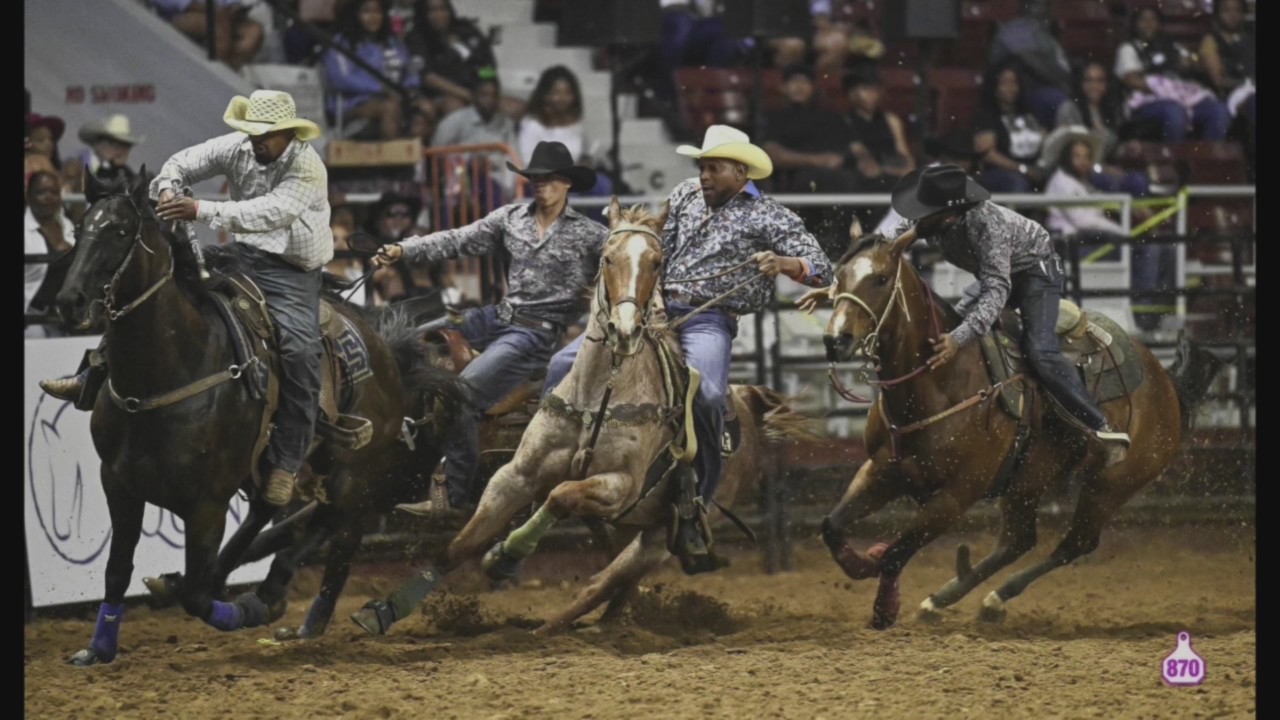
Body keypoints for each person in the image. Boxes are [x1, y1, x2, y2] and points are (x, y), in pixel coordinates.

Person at [542, 125, 834, 573]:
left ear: (740, 171)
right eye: (701, 167)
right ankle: (549, 454)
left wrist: (784, 263)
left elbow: (821, 269)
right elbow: (660, 247)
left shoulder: (770, 216)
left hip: (707, 319)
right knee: (565, 362)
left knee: (711, 395)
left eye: (713, 168)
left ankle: (696, 500)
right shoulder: (682, 195)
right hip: (652, 309)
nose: (703, 176)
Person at [40, 90, 333, 508]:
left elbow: (273, 212)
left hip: (292, 271)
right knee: (155, 291)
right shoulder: (239, 147)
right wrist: (167, 189)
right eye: (252, 133)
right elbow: (180, 163)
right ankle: (92, 372)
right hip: (245, 254)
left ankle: (286, 462)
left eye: (264, 135)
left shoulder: (307, 167)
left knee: (301, 350)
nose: (255, 141)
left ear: (288, 133)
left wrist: (198, 209)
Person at [374, 141, 608, 520]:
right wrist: (404, 250)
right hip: (498, 317)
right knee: (404, 341)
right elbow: (457, 239)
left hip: (536, 333)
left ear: (566, 184)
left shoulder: (592, 236)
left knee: (461, 393)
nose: (539, 184)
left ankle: (454, 493)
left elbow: (625, 266)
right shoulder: (510, 218)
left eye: (548, 179)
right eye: (534, 178)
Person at [886, 165, 1132, 464]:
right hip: (998, 274)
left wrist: (959, 337)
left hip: (1034, 272)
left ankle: (1098, 425)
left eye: (925, 212)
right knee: (953, 323)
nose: (917, 217)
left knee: (1039, 350)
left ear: (948, 216)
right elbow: (886, 244)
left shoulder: (989, 226)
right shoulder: (933, 216)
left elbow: (996, 290)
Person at [1043, 132, 1172, 333]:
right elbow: (1084, 221)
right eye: (1076, 156)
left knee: (1166, 249)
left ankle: (1157, 310)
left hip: (1094, 242)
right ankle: (1142, 314)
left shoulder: (1086, 184)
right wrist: (1125, 232)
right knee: (1148, 250)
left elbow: (1103, 207)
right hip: (1074, 246)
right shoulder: (1062, 181)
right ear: (1066, 158)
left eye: (1086, 156)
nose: (1083, 161)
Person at [1114, 7, 1231, 142]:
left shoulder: (1171, 46)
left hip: (1181, 97)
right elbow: (1131, 80)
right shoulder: (1128, 48)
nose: (1149, 24)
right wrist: (1163, 86)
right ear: (1135, 24)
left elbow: (1194, 63)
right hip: (1147, 102)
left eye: (1153, 20)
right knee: (1175, 111)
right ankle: (1174, 161)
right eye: (1143, 20)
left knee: (1219, 109)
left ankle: (1208, 159)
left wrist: (1188, 64)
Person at [323, 0, 422, 140]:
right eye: (366, 12)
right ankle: (396, 158)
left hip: (395, 99)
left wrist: (411, 87)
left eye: (377, 12)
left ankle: (420, 158)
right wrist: (379, 88)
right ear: (355, 15)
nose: (373, 17)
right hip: (354, 104)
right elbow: (340, 79)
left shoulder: (393, 42)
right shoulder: (341, 43)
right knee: (389, 108)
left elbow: (409, 69)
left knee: (425, 108)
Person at [517, 66, 612, 197]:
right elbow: (527, 162)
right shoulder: (533, 124)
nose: (562, 98)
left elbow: (582, 156)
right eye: (556, 93)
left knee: (602, 184)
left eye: (567, 93)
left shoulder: (576, 124)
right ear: (545, 95)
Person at [406, 0, 497, 116]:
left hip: (477, 91)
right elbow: (427, 77)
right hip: (441, 95)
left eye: (443, 9)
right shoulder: (417, 38)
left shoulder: (467, 29)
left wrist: (485, 90)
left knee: (514, 107)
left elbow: (489, 66)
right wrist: (467, 95)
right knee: (455, 106)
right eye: (432, 11)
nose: (439, 15)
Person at [974, 62, 1046, 193]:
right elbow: (988, 155)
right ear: (994, 86)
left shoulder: (1029, 113)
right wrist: (1022, 169)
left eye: (1014, 83)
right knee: (1017, 182)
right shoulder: (986, 116)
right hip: (1001, 172)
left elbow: (1044, 137)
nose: (1010, 88)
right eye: (1004, 83)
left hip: (1033, 168)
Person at [24, 172, 76, 338]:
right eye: (41, 192)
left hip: (64, 315)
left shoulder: (67, 225)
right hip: (30, 314)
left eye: (54, 192)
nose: (49, 197)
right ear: (29, 196)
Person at [151, 0, 264, 71]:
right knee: (218, 27)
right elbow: (181, 5)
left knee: (254, 32)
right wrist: (218, 12)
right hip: (177, 16)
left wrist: (235, 9)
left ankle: (228, 70)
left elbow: (229, 4)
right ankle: (210, 75)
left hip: (221, 16)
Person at [75, 114, 145, 186]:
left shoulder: (126, 173)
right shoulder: (78, 166)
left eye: (127, 146)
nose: (124, 151)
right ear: (99, 143)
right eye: (117, 145)